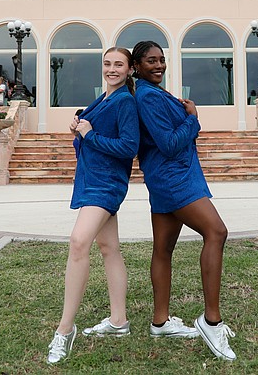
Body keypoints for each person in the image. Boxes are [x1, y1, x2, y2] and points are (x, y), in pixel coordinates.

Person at [130, 40, 236, 361]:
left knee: (163, 249)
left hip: (170, 177)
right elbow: (170, 143)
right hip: (175, 178)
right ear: (137, 66)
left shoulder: (154, 93)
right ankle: (211, 320)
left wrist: (185, 116)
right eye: (151, 61)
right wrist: (193, 117)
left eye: (161, 60)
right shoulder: (147, 97)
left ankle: (160, 322)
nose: (159, 65)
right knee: (216, 232)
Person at [47, 47, 139, 365]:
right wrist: (79, 131)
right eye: (107, 64)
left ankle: (65, 329)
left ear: (129, 70)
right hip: (91, 179)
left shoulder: (125, 101)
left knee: (78, 243)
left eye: (118, 65)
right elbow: (89, 139)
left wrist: (90, 133)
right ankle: (118, 321)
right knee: (109, 247)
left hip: (107, 183)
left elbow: (129, 147)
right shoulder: (102, 99)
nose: (112, 69)